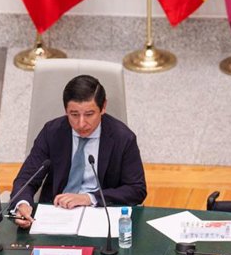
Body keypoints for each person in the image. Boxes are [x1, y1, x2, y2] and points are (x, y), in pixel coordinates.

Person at [11, 75, 147, 229]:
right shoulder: (52, 132)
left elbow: (136, 189)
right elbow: (26, 179)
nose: (81, 123)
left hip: (100, 214)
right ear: (66, 111)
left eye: (89, 114)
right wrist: (22, 204)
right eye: (74, 115)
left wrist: (89, 198)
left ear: (103, 107)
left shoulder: (123, 138)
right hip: (56, 214)